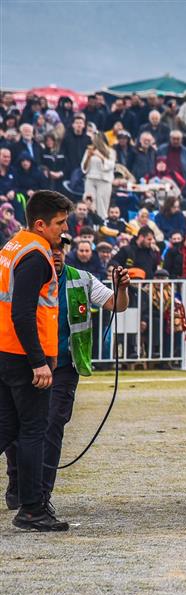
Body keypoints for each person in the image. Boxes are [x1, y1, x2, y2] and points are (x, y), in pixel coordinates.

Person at [5, 240, 129, 519]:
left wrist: (122, 288)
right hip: (25, 362)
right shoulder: (24, 275)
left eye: (61, 248)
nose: (56, 253)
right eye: (51, 249)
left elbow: (116, 305)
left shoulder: (80, 279)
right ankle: (17, 478)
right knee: (16, 427)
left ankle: (40, 495)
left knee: (52, 426)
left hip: (63, 365)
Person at [0, 190, 72, 531]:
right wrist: (38, 361)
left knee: (6, 428)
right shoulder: (36, 255)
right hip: (22, 355)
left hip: (5, 351)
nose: (64, 230)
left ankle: (30, 506)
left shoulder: (14, 245)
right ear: (40, 224)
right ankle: (31, 509)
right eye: (59, 223)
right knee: (32, 431)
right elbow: (24, 312)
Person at [81, 133, 116, 219]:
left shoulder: (111, 151)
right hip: (91, 179)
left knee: (102, 205)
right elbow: (84, 167)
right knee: (90, 202)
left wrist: (100, 156)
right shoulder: (89, 150)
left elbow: (111, 166)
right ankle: (90, 222)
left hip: (104, 180)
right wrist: (89, 156)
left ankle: (102, 224)